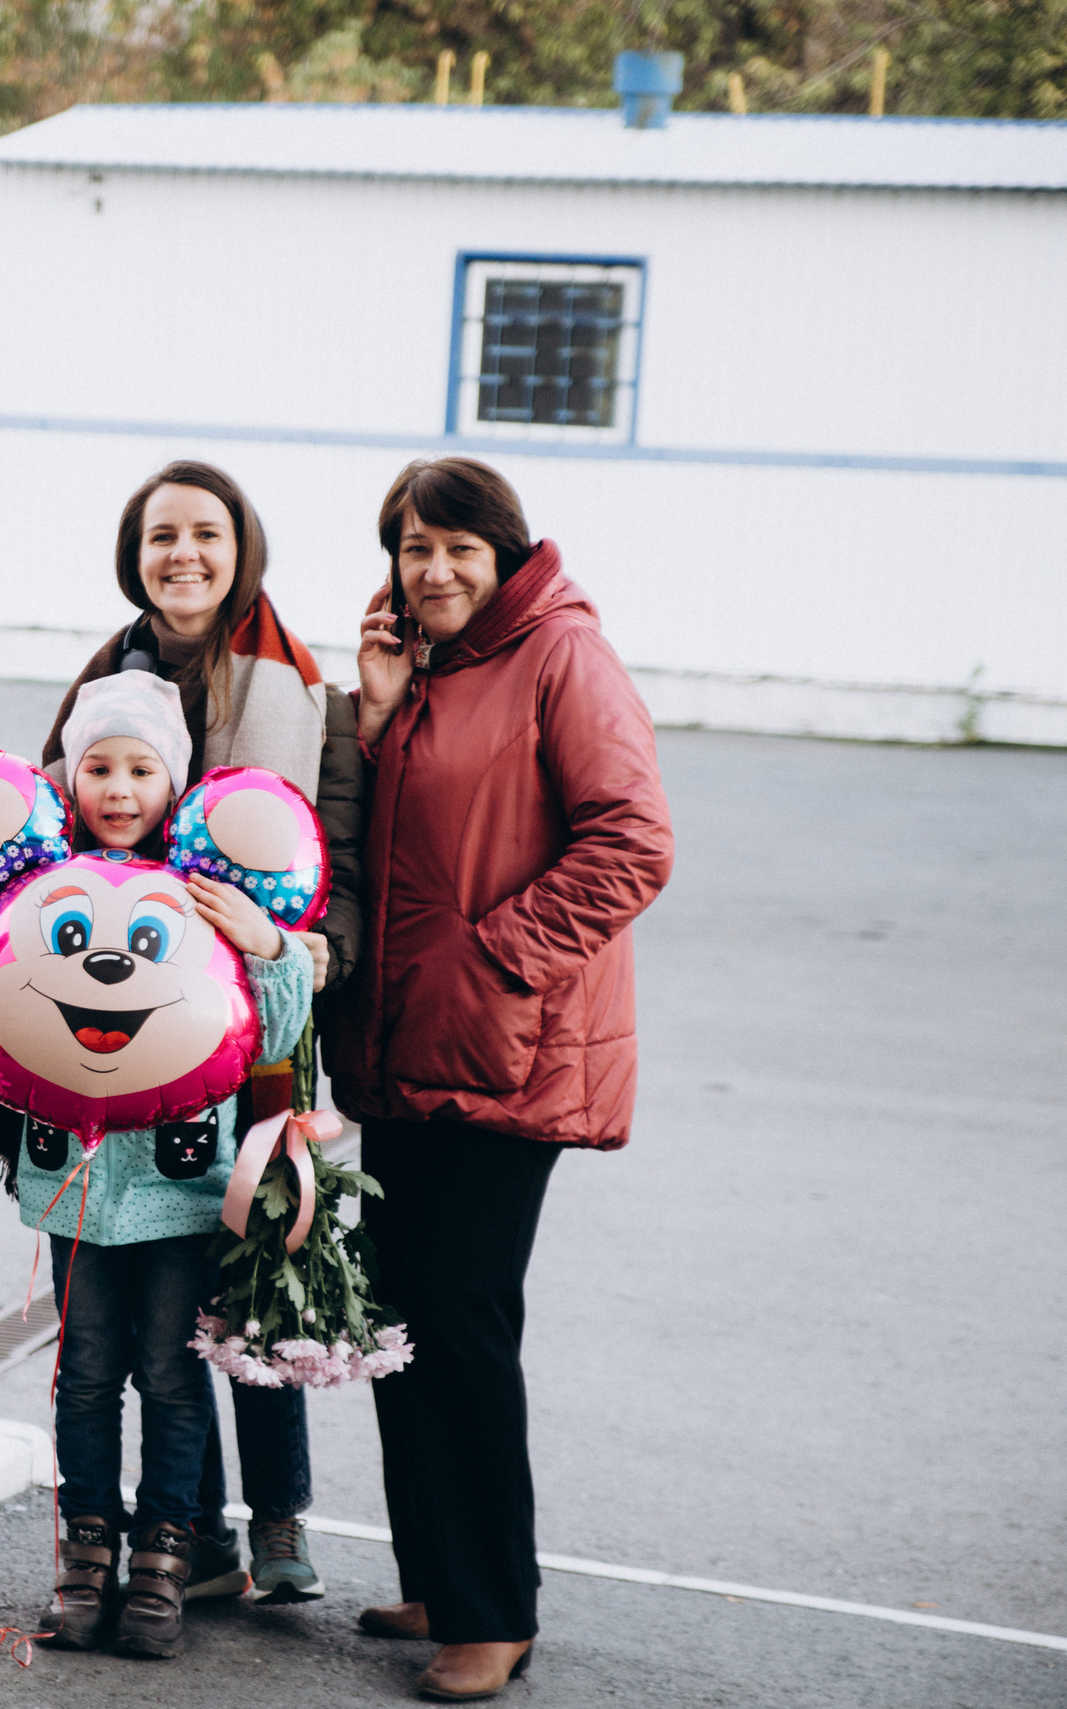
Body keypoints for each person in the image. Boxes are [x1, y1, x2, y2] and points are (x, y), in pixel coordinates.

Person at [337, 458, 673, 1702]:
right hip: (403, 1047)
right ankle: (436, 1571)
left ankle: (494, 1611)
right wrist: (374, 720)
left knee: (463, 1320)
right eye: (414, 548)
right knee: (401, 1318)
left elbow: (633, 838)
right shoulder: (431, 668)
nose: (433, 570)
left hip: (500, 1050)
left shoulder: (559, 654)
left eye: (456, 548)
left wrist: (501, 959)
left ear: (504, 550)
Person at [22, 458, 364, 1606]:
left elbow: (341, 843)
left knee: (251, 1258)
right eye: (161, 534)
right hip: (130, 1029)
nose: (184, 554)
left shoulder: (294, 678)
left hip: (260, 1015)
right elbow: (35, 849)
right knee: (171, 1313)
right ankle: (195, 1534)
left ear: (240, 548)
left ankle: (274, 1518)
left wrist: (311, 949)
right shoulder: (106, 677)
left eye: (206, 534)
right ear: (137, 553)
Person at [0, 671, 315, 1661]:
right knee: (83, 1376)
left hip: (185, 1196)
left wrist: (269, 943)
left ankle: (165, 1560)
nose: (117, 785)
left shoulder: (204, 893)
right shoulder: (33, 890)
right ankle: (84, 1561)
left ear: (172, 783)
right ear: (68, 781)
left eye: (140, 767)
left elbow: (271, 1032)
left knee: (171, 1376)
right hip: (74, 1197)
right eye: (97, 765)